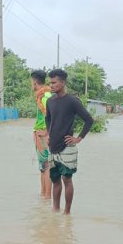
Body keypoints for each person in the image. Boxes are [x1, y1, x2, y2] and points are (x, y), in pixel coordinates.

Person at [45, 69, 94, 214]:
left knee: (67, 180)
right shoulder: (50, 101)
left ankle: (67, 213)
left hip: (67, 147)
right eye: (50, 82)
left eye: (54, 82)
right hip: (53, 147)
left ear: (63, 82)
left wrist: (78, 138)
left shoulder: (72, 101)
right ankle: (55, 210)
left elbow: (89, 120)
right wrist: (49, 133)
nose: (51, 85)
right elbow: (48, 119)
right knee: (55, 181)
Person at [30, 70, 53, 199]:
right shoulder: (43, 95)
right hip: (40, 133)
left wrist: (46, 131)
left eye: (31, 82)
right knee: (43, 166)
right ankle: (44, 196)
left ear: (34, 81)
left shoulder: (45, 96)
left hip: (43, 134)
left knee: (46, 165)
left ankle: (47, 196)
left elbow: (51, 115)